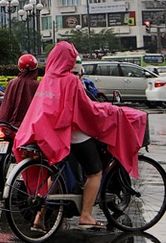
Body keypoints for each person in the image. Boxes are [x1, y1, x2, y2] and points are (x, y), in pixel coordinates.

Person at [16, 41, 147, 229]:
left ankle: (39, 218)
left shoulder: (47, 79)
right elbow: (86, 109)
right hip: (73, 135)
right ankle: (86, 215)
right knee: (95, 172)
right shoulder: (70, 80)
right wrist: (110, 111)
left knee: (55, 175)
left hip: (52, 136)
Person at [0, 54, 40, 127]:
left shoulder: (12, 83)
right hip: (30, 125)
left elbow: (6, 106)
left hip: (9, 125)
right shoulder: (38, 85)